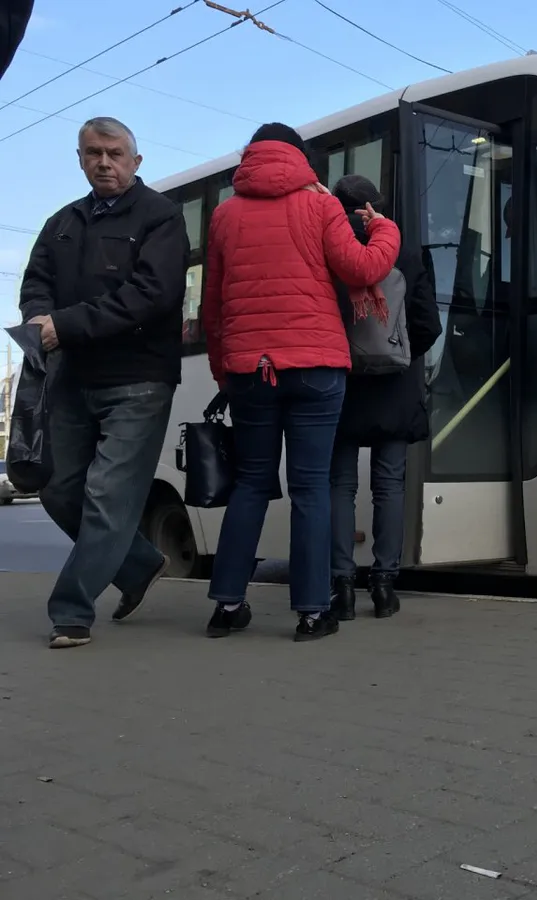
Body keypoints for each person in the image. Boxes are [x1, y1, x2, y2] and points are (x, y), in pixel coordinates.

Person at [202, 123, 400, 642]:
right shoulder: (320, 205)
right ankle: (312, 614)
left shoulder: (224, 214)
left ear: (251, 156)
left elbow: (212, 306)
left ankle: (227, 607)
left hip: (250, 371)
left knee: (250, 483)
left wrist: (225, 369)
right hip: (315, 368)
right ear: (300, 157)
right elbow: (362, 269)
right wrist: (385, 230)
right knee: (310, 487)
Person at [19, 116, 189, 648]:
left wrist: (65, 324)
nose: (104, 163)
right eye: (93, 153)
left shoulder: (161, 216)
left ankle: (71, 611)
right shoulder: (62, 222)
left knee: (108, 495)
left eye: (115, 154)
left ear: (136, 161)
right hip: (71, 376)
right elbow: (36, 282)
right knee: (55, 487)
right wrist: (39, 317)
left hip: (138, 378)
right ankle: (138, 565)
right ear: (80, 159)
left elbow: (151, 295)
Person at [328, 175, 442, 620]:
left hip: (340, 381)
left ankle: (341, 587)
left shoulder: (327, 247)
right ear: (374, 205)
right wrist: (399, 352)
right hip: (395, 384)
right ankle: (383, 586)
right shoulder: (403, 250)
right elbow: (427, 323)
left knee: (340, 485)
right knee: (389, 484)